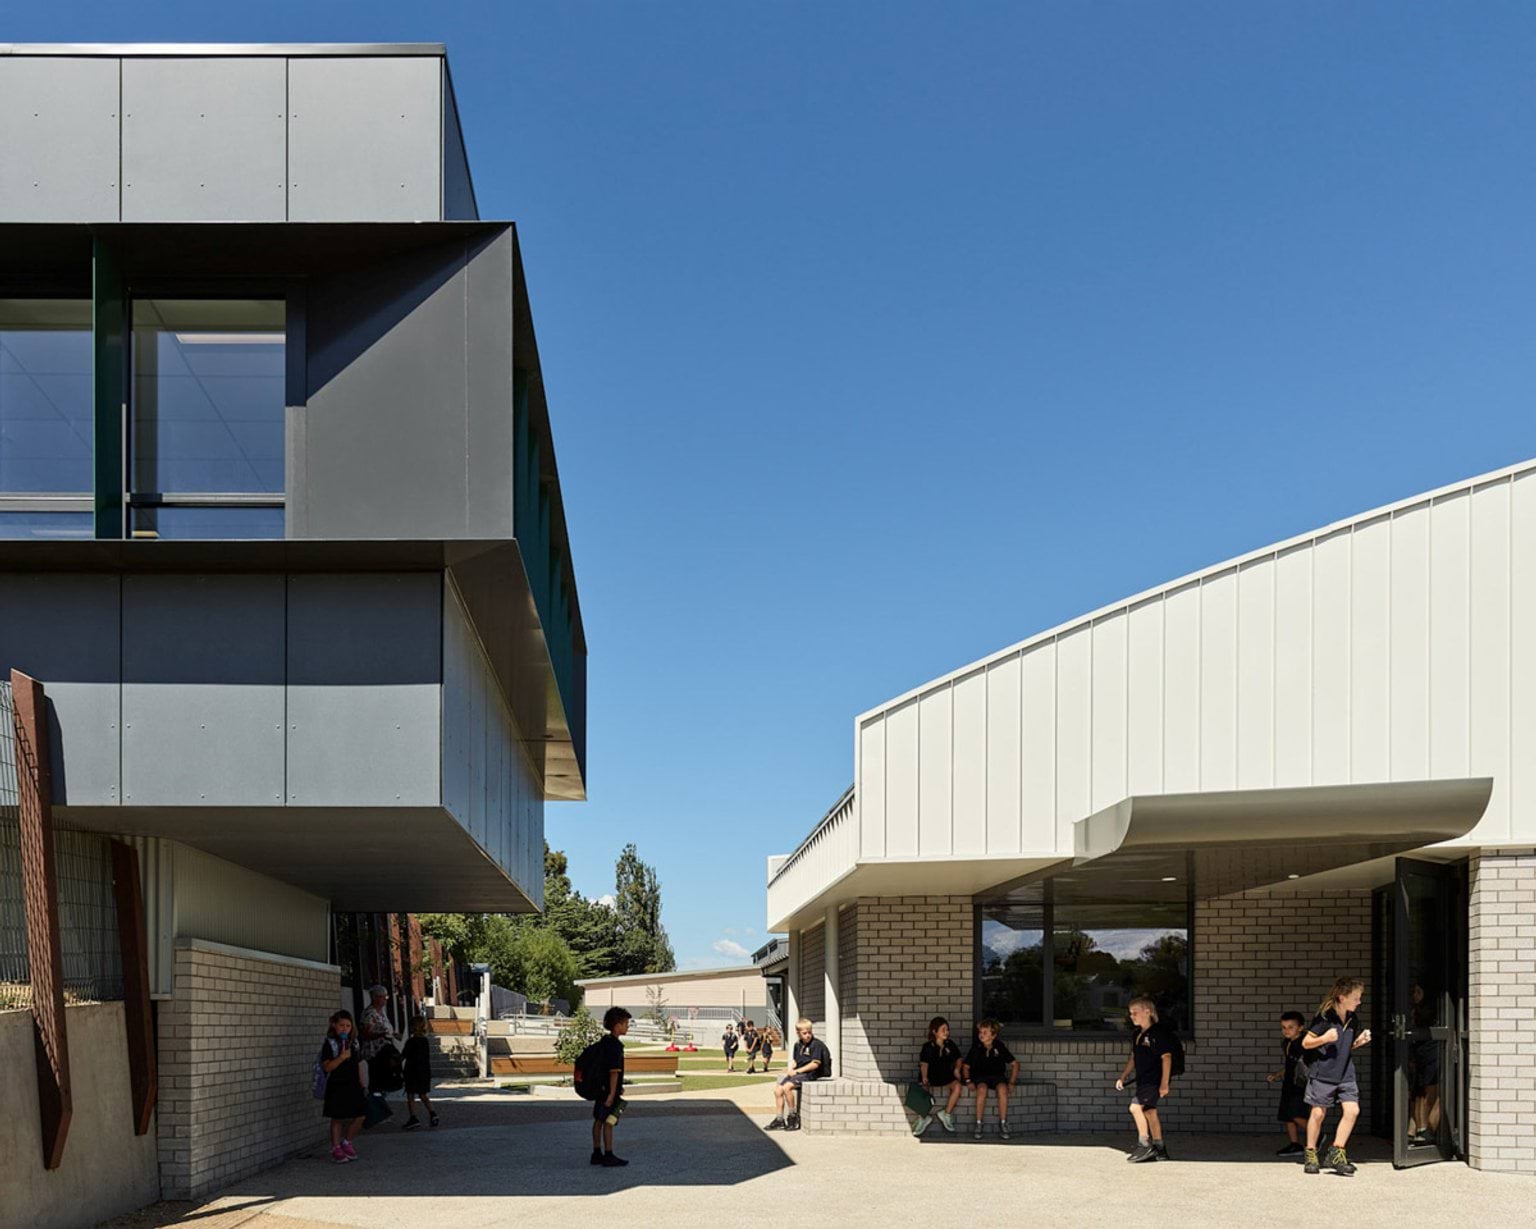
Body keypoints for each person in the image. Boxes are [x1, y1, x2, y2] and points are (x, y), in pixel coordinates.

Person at [1301, 977, 1371, 1176]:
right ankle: (1311, 1153)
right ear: (1342, 998)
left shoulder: (1352, 1019)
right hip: (1323, 1072)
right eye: (1356, 998)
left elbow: (1344, 1047)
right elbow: (1306, 1043)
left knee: (1352, 1111)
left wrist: (1358, 1042)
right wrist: (1324, 1038)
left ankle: (1336, 1152)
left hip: (1345, 1072)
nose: (1359, 1001)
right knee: (1318, 1114)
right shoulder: (1324, 1018)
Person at [1115, 997, 1172, 1162]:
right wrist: (1123, 1076)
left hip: (1153, 1080)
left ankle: (1145, 1145)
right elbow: (1134, 1057)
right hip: (1143, 1080)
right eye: (1130, 1013)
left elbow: (1166, 1058)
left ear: (1147, 1012)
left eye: (1135, 1013)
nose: (1132, 1016)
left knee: (1135, 1107)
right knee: (1149, 1111)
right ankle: (1160, 1148)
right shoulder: (1137, 1035)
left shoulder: (1157, 1034)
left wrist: (1164, 1083)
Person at [765, 1018, 831, 1131]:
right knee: (778, 1090)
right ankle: (779, 1120)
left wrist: (797, 1071)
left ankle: (793, 1116)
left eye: (809, 1032)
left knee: (787, 1087)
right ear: (798, 1033)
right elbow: (796, 1060)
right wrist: (791, 1069)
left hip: (810, 1074)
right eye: (805, 1033)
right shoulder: (798, 1045)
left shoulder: (816, 1045)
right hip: (799, 1073)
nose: (808, 1035)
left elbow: (815, 1064)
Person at [320, 1010, 367, 1163]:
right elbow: (327, 1067)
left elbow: (358, 1063)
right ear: (334, 1025)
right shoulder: (330, 1043)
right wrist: (341, 1057)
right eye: (341, 1025)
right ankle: (336, 1147)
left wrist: (362, 1080)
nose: (345, 1029)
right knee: (338, 1116)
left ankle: (347, 1141)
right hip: (337, 1083)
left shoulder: (354, 1042)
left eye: (348, 1026)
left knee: (360, 1115)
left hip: (353, 1082)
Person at [591, 1007, 631, 1168]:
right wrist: (612, 1094)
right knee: (609, 1122)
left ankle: (596, 1152)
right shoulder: (615, 1046)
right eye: (625, 1023)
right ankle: (608, 1154)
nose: (627, 1026)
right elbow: (614, 1072)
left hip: (600, 1088)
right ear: (617, 1025)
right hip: (609, 1091)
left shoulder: (604, 1042)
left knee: (598, 1120)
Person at [964, 1018, 1018, 1140]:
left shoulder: (999, 1046)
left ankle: (1003, 1123)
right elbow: (966, 1066)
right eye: (980, 1032)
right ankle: (978, 1124)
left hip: (998, 1076)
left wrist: (1012, 1081)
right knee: (982, 1089)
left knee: (1003, 1090)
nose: (981, 1035)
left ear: (993, 1035)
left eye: (985, 1032)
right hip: (981, 1076)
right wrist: (968, 1080)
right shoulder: (976, 1047)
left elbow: (1015, 1064)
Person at [912, 1015, 965, 1136]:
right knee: (922, 1089)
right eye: (943, 1030)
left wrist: (957, 1070)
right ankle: (923, 1117)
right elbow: (924, 1064)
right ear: (934, 1031)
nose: (946, 1032)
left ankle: (946, 1114)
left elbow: (959, 1059)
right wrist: (925, 1077)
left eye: (947, 1029)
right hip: (930, 1075)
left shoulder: (950, 1044)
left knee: (957, 1087)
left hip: (945, 1075)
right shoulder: (927, 1047)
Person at [1266, 1011, 1309, 1155]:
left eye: (1291, 1027)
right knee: (1287, 1115)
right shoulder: (1286, 1043)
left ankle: (1317, 1134)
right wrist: (1277, 1075)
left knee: (1295, 1113)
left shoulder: (1305, 1043)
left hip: (1300, 1083)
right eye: (1283, 1027)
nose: (1286, 1030)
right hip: (1288, 1083)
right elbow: (1289, 1065)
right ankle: (1295, 1144)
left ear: (1300, 1028)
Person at [401, 1017, 439, 1131]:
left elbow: (404, 1055)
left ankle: (413, 1117)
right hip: (424, 1071)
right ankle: (433, 1113)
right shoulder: (425, 1041)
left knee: (410, 1095)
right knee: (423, 1095)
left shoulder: (411, 1042)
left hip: (412, 1071)